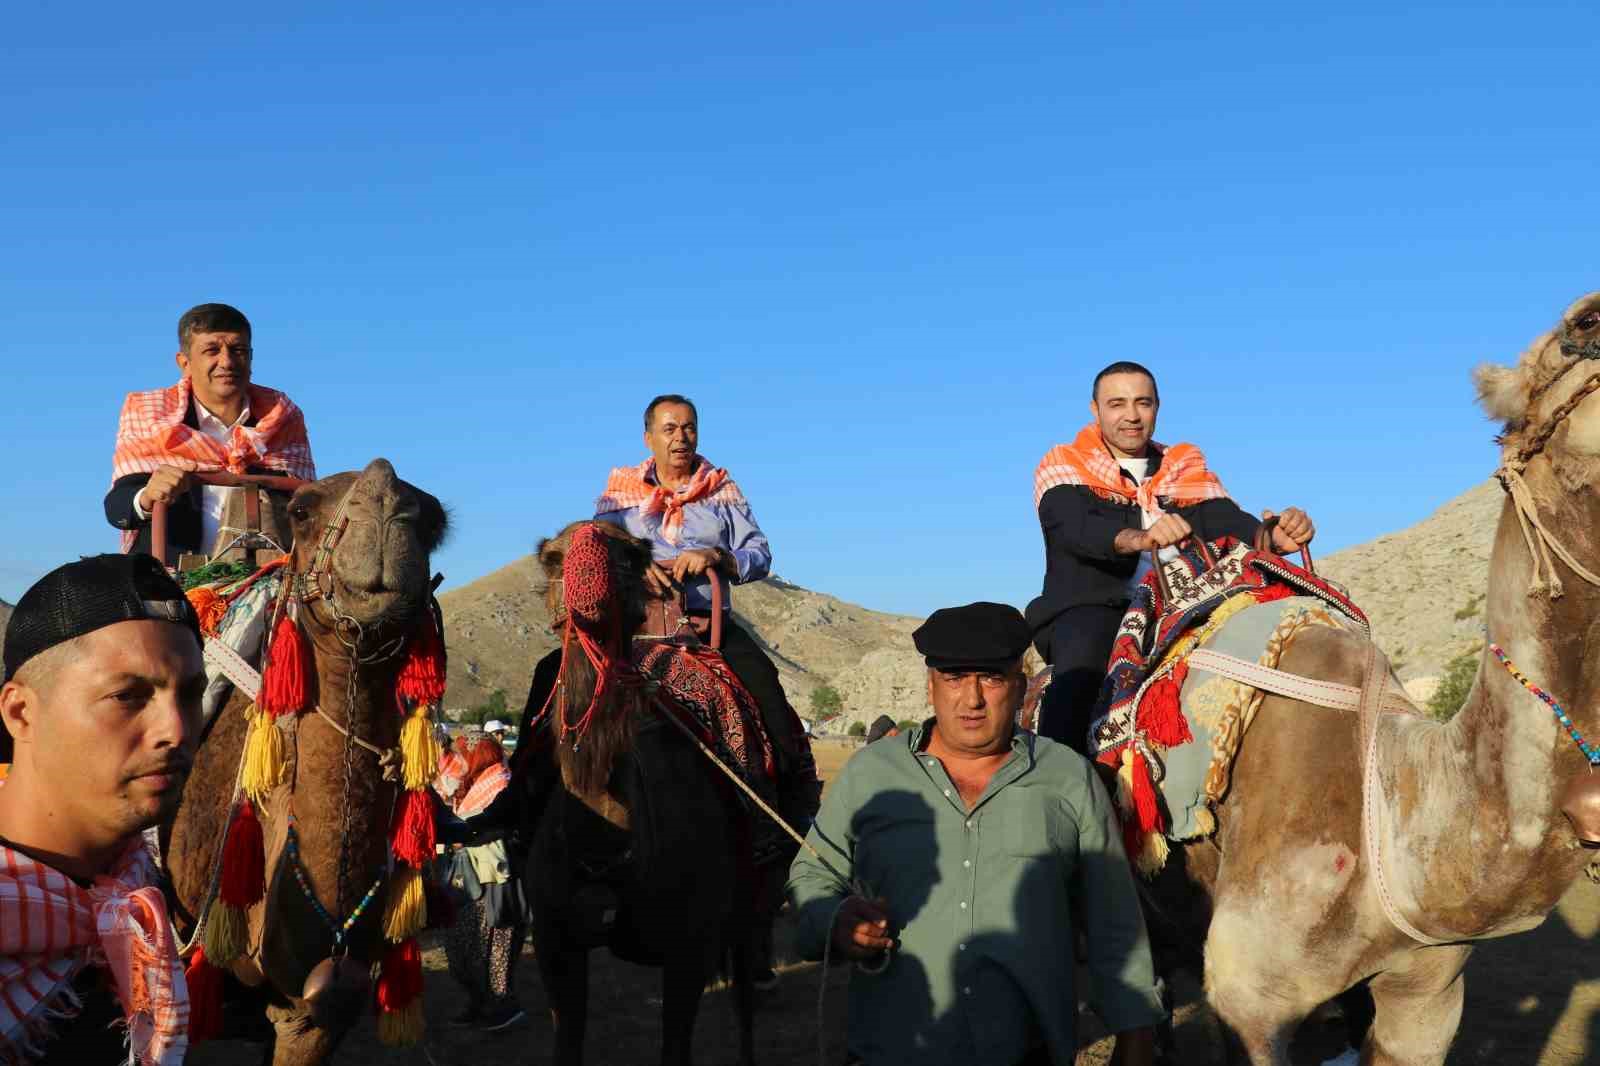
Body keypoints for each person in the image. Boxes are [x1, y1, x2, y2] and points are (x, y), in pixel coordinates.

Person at [788, 602, 1163, 1065]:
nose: (971, 699)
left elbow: (1113, 918)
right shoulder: (871, 775)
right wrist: (835, 918)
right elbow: (810, 877)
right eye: (954, 678)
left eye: (991, 678)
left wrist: (1136, 1032)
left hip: (1028, 1052)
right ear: (930, 687)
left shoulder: (1068, 778)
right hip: (891, 1050)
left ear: (1021, 686)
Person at [1028, 361, 1315, 754]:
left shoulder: (1182, 467)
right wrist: (1138, 537)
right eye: (1117, 404)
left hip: (1179, 604)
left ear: (1157, 407)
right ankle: (1057, 784)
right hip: (1092, 607)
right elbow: (1074, 528)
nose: (1131, 415)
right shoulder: (1065, 465)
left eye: (1142, 403)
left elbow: (1224, 519)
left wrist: (1273, 536)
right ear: (1095, 411)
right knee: (1082, 671)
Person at [0, 553, 205, 1064]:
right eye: (128, 696)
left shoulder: (135, 889)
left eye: (191, 695)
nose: (177, 731)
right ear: (21, 712)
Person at [593, 393, 821, 826]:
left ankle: (788, 813)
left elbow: (760, 554)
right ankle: (516, 805)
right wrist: (634, 567)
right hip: (635, 626)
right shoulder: (619, 496)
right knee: (557, 680)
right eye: (670, 429)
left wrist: (717, 555)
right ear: (648, 439)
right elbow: (596, 552)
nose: (681, 438)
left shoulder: (721, 490)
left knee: (768, 692)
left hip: (707, 624)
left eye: (689, 428)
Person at [105, 302, 316, 558]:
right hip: (171, 585)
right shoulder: (150, 414)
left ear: (250, 358)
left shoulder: (282, 417)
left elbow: (311, 506)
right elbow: (118, 506)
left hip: (272, 580)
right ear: (184, 362)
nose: (226, 361)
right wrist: (148, 495)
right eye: (211, 350)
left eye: (238, 350)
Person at [441, 736, 526, 1033]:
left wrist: (459, 830)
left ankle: (503, 1006)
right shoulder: (472, 785)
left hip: (495, 879)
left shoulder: (501, 782)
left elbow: (493, 824)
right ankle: (478, 1002)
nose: (461, 760)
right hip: (471, 877)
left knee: (495, 944)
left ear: (479, 755)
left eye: (465, 754)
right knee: (462, 945)